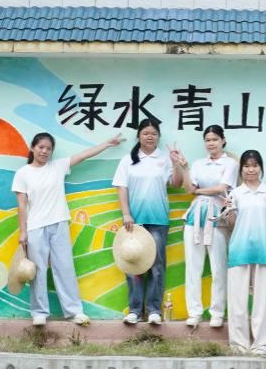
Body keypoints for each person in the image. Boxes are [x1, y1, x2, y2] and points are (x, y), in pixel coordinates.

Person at [13, 131, 123, 327]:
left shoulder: (58, 166)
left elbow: (83, 156)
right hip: (35, 227)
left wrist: (107, 144)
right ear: (32, 148)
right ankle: (39, 312)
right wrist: (23, 231)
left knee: (64, 268)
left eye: (48, 148)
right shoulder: (23, 173)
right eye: (41, 147)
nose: (44, 151)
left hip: (59, 223)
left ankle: (73, 311)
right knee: (37, 271)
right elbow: (22, 205)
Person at [113, 120, 181, 325]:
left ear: (158, 136)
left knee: (156, 266)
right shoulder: (128, 160)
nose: (150, 136)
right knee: (133, 264)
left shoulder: (164, 158)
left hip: (158, 220)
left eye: (153, 133)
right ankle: (135, 310)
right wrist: (126, 214)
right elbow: (121, 187)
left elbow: (177, 184)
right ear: (138, 136)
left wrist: (176, 163)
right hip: (134, 223)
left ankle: (153, 310)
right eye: (145, 133)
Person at [176, 124, 238, 329]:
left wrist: (197, 191)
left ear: (223, 141)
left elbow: (222, 188)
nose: (211, 143)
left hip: (217, 216)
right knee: (192, 266)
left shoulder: (230, 163)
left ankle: (217, 312)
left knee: (218, 267)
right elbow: (188, 188)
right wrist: (185, 169)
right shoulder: (198, 163)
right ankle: (194, 312)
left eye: (215, 139)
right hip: (195, 216)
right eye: (208, 140)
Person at [225, 149, 266, 355]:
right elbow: (232, 224)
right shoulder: (235, 193)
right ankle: (239, 345)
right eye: (247, 166)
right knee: (237, 302)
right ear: (241, 169)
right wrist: (229, 210)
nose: (251, 169)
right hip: (238, 250)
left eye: (255, 165)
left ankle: (262, 345)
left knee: (263, 302)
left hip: (263, 250)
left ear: (261, 168)